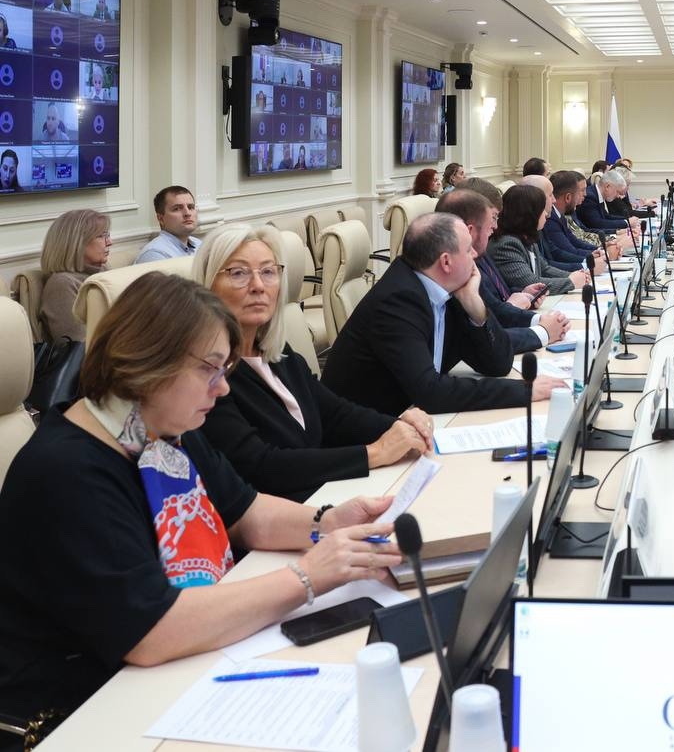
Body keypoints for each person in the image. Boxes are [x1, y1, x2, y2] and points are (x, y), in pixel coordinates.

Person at [0, 272, 404, 732]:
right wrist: (307, 577)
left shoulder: (158, 429)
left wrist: (327, 522)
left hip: (151, 676)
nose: (223, 388)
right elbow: (152, 631)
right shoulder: (67, 472)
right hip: (72, 713)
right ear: (147, 363)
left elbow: (247, 511)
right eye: (209, 369)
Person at [193, 224, 435, 502]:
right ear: (208, 286)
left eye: (268, 272)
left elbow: (335, 414)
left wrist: (401, 427)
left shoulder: (277, 353)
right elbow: (260, 466)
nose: (258, 286)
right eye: (238, 273)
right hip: (281, 517)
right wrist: (375, 453)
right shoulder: (208, 375)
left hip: (326, 496)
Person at [322, 212, 562, 415]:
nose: (475, 255)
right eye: (468, 250)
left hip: (415, 418)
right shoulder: (398, 301)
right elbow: (431, 393)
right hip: (369, 434)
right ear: (446, 262)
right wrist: (524, 390)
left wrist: (476, 309)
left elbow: (498, 363)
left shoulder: (450, 288)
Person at [436, 189, 570, 353]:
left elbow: (495, 303)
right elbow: (485, 338)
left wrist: (523, 294)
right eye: (493, 218)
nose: (495, 226)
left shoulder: (477, 256)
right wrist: (543, 330)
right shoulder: (461, 270)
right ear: (469, 231)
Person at [490, 184, 590, 296]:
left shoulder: (527, 238)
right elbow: (531, 283)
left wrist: (574, 275)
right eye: (542, 210)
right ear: (529, 215)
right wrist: (570, 282)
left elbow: (544, 269)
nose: (546, 214)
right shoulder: (506, 245)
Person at [39, 209, 111, 342]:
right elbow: (78, 344)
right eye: (101, 236)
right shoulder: (62, 284)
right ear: (77, 243)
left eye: (108, 235)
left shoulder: (103, 270)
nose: (110, 242)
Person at [135, 186, 201, 263]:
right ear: (161, 219)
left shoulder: (199, 244)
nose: (187, 213)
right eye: (177, 209)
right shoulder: (155, 254)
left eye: (190, 207)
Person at [577, 169, 640, 236]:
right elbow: (597, 224)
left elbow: (606, 216)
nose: (618, 196)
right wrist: (626, 222)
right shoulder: (590, 197)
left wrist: (627, 220)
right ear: (607, 186)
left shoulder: (597, 194)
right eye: (617, 192)